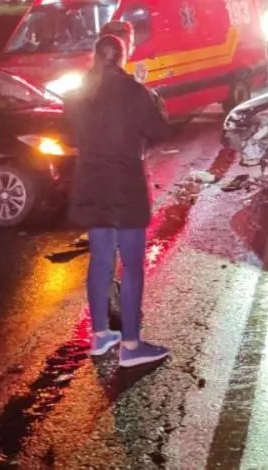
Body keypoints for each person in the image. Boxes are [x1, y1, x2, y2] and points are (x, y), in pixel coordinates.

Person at [65, 34, 170, 367]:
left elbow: (70, 135)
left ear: (95, 57)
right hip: (124, 189)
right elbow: (158, 129)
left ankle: (100, 335)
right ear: (123, 57)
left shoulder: (80, 92)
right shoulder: (132, 91)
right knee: (132, 266)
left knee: (99, 261)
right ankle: (130, 343)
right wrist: (148, 90)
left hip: (92, 186)